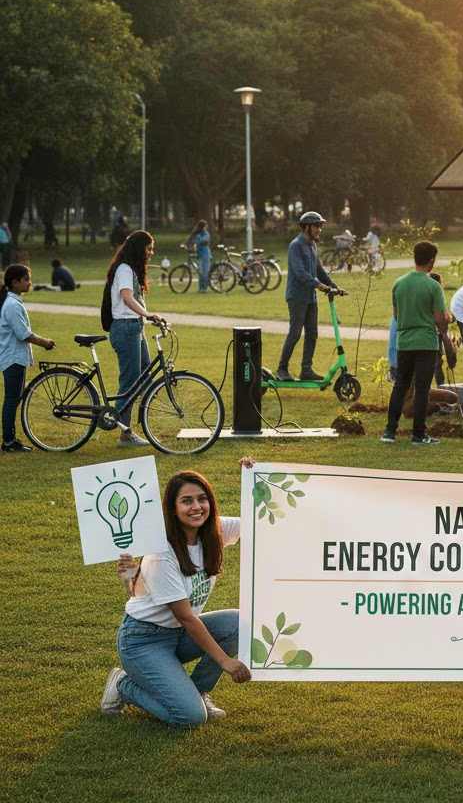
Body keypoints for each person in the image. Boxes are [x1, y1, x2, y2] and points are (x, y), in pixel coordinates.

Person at [101, 467, 253, 726]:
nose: (197, 506)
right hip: (143, 642)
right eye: (186, 501)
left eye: (202, 498)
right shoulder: (162, 554)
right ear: (172, 509)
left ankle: (198, 691)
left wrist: (255, 475)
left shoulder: (214, 530)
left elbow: (259, 521)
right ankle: (124, 684)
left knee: (240, 623)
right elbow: (186, 616)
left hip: (177, 634)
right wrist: (224, 661)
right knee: (190, 717)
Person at [382, 241, 448, 446]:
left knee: (400, 385)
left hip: (404, 342)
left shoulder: (399, 283)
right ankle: (418, 435)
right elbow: (440, 319)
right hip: (426, 342)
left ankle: (389, 432)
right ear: (432, 261)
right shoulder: (433, 286)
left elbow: (396, 314)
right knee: (421, 388)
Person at [105, 231, 165, 448]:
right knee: (129, 383)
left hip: (134, 328)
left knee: (145, 374)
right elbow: (126, 296)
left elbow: (134, 300)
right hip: (125, 328)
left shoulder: (130, 270)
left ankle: (130, 422)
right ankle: (125, 434)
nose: (151, 253)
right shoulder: (124, 269)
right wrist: (148, 315)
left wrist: (147, 319)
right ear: (139, 248)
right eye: (148, 249)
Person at [275, 211, 342, 382]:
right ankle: (282, 369)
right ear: (306, 227)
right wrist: (319, 285)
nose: (319, 229)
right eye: (316, 226)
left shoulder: (313, 245)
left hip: (310, 297)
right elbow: (300, 273)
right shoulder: (295, 245)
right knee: (295, 333)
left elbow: (319, 270)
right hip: (297, 296)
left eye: (320, 226)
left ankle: (306, 370)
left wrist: (335, 286)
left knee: (312, 333)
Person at [1, 265, 56, 452]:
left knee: (14, 399)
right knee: (11, 399)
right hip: (12, 358)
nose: (29, 283)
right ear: (15, 283)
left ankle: (11, 439)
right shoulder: (12, 305)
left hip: (15, 357)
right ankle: (8, 442)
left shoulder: (14, 302)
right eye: (26, 279)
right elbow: (23, 334)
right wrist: (45, 342)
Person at [188, 220, 212, 293]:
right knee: (201, 272)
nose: (206, 228)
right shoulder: (197, 233)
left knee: (204, 271)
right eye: (205, 226)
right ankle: (201, 287)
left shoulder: (206, 234)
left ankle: (203, 288)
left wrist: (197, 240)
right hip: (200, 254)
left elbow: (203, 241)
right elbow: (190, 239)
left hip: (205, 254)